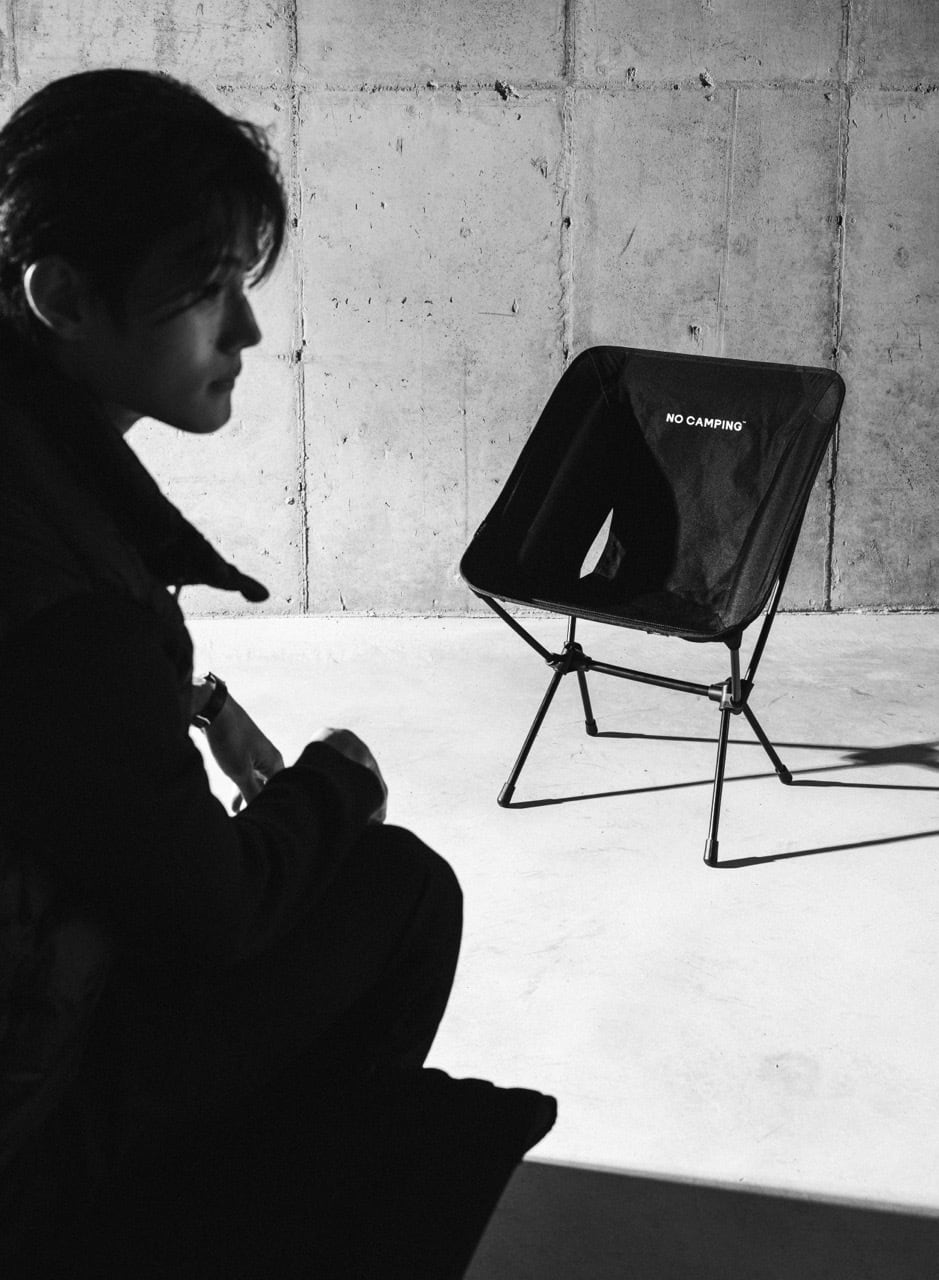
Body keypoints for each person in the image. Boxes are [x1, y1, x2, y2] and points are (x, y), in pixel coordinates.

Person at [0, 69, 555, 1277]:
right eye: (207, 288)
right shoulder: (58, 593)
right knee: (400, 888)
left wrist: (173, 725)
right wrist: (337, 779)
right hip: (25, 1139)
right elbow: (212, 912)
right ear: (64, 298)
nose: (246, 331)